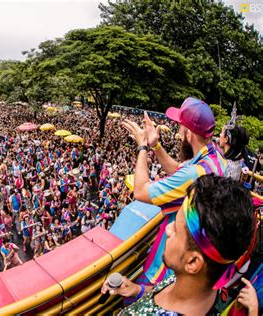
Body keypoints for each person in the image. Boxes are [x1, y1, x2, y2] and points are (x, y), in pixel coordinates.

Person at [101, 175, 257, 315]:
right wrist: (136, 290)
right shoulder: (199, 286)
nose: (168, 229)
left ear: (193, 262)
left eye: (175, 229)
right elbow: (166, 291)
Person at [122, 97, 227, 287]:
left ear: (189, 134)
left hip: (171, 265)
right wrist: (156, 145)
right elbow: (179, 170)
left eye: (180, 125)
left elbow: (140, 192)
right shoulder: (216, 159)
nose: (177, 128)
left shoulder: (194, 173)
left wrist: (143, 146)